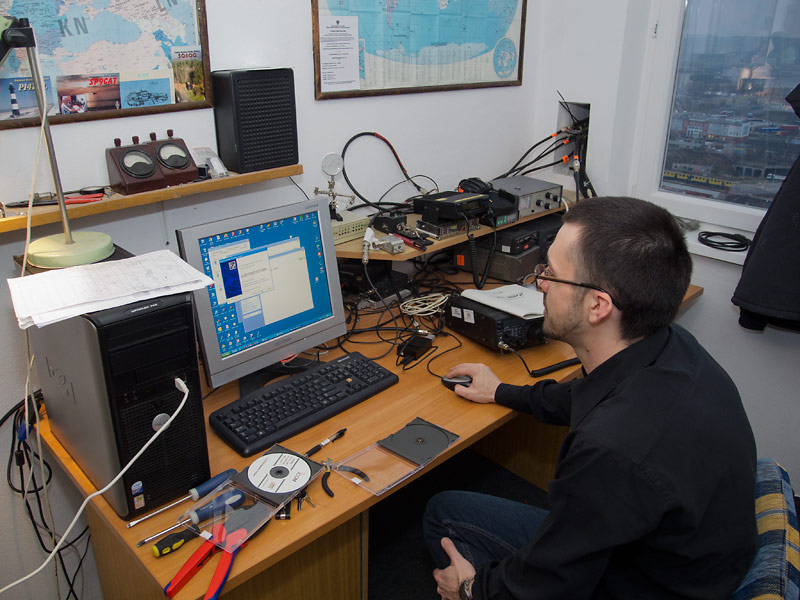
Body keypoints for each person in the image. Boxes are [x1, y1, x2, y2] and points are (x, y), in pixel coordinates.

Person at [424, 196, 757, 600]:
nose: (539, 283)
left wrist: (470, 589)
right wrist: (501, 391)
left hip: (645, 585)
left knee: (442, 515)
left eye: (550, 272)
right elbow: (587, 395)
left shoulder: (612, 451)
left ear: (598, 305)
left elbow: (548, 584)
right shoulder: (670, 347)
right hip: (689, 560)